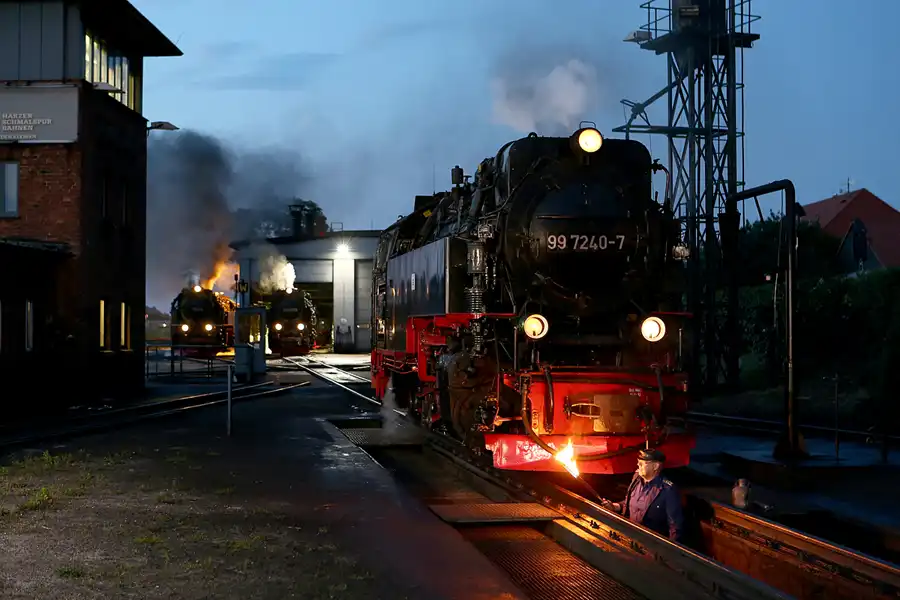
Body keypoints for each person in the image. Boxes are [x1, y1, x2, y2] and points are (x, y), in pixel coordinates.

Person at [600, 448, 684, 543]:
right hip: (628, 535)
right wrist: (615, 507)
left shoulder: (668, 490)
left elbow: (675, 527)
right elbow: (629, 502)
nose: (638, 465)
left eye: (642, 463)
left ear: (655, 466)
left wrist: (670, 551)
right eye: (638, 462)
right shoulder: (636, 478)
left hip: (650, 543)